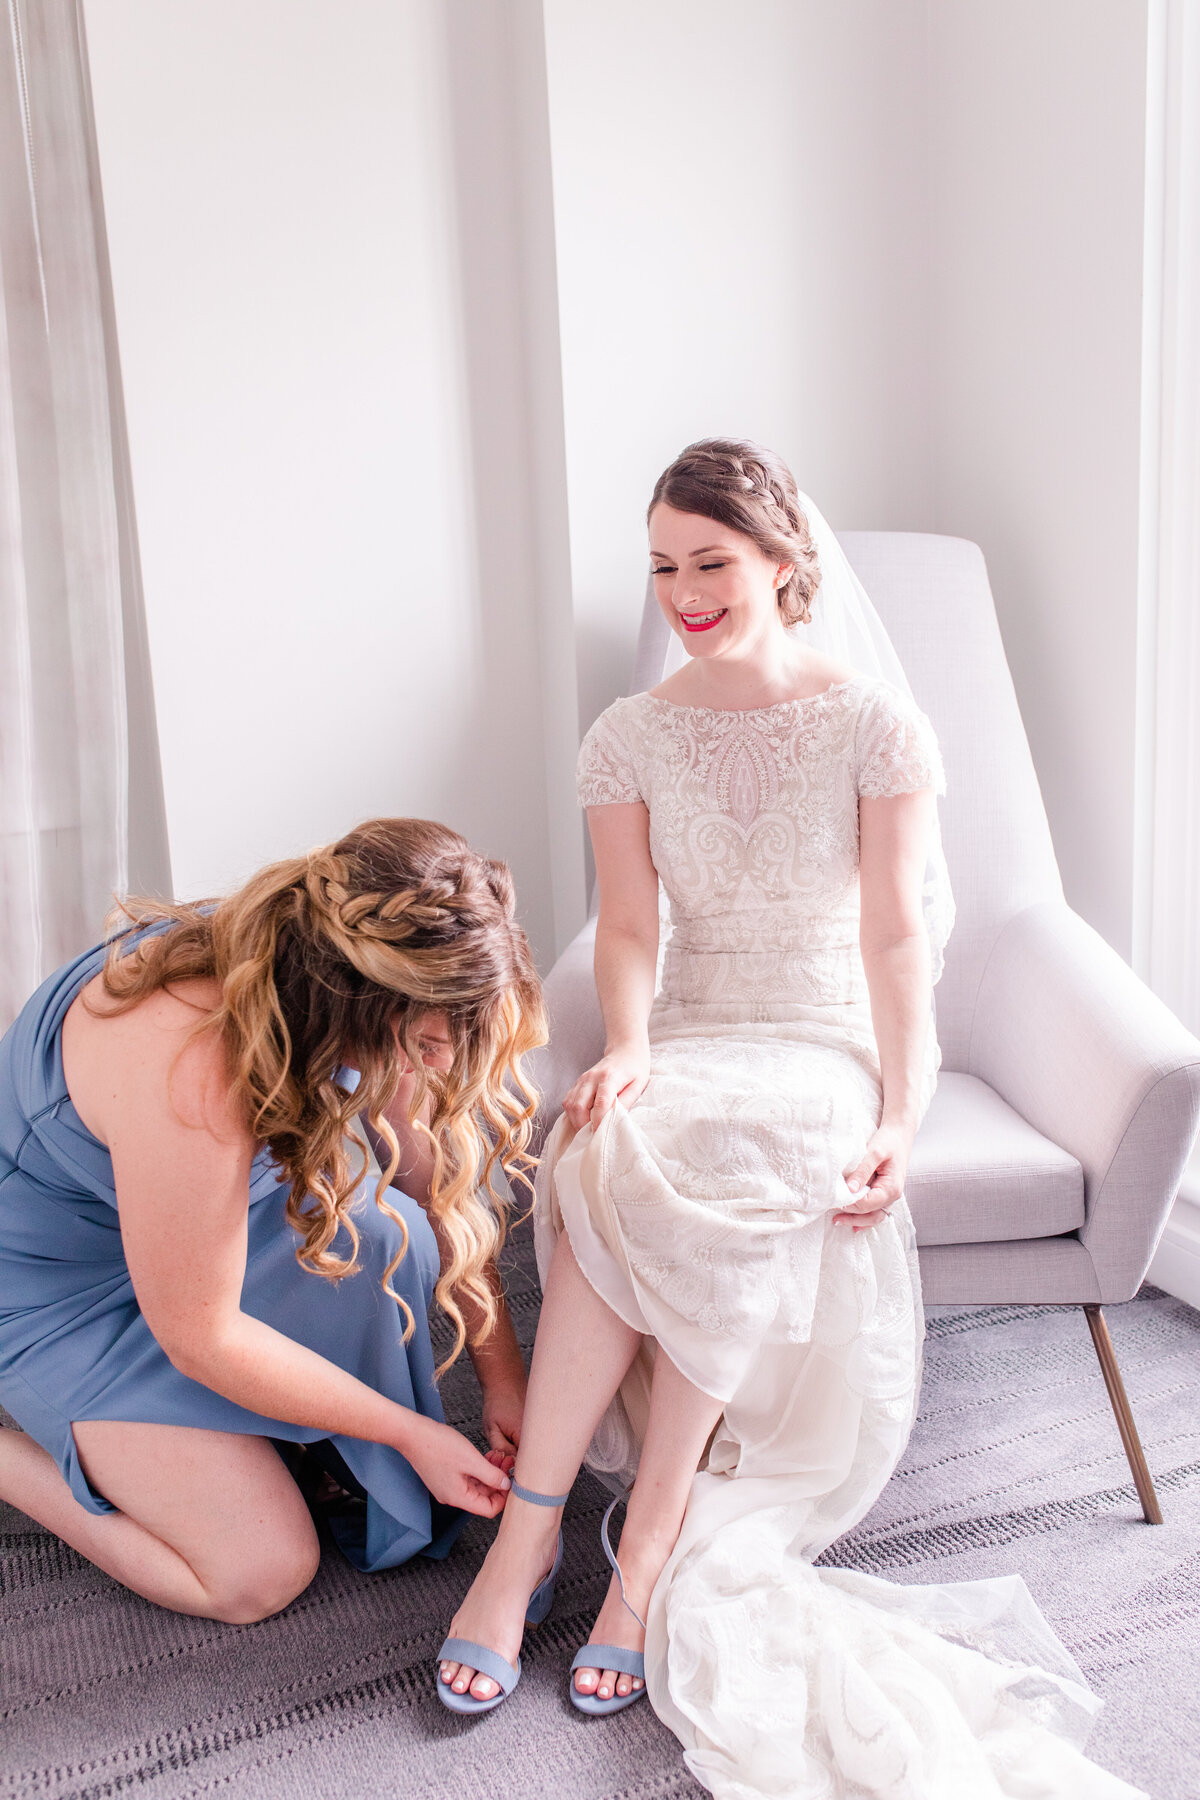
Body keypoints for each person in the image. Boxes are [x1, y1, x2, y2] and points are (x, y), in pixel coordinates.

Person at [436, 442, 1144, 1800]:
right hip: (694, 1026)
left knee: (746, 1144)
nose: (686, 591)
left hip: (820, 1038)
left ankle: (638, 1559)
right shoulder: (627, 734)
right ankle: (529, 1544)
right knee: (597, 1139)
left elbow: (893, 937)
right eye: (664, 566)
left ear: (779, 562)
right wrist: (632, 1045)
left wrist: (901, 1103)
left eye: (713, 561)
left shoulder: (878, 723)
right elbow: (630, 927)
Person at [0, 817, 544, 1620]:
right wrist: (407, 1434)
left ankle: (262, 1431)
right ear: (369, 1006)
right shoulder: (190, 1060)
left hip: (195, 1224)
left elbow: (436, 1187)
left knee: (396, 1236)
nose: (438, 1067)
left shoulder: (337, 967)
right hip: (63, 1296)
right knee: (259, 1570)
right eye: (428, 1046)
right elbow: (200, 1333)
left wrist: (505, 1381)